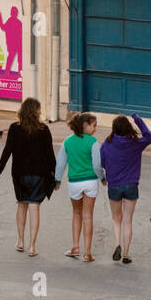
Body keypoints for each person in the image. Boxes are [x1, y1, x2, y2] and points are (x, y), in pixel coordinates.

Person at [0, 97, 56, 256]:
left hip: (19, 174)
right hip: (38, 175)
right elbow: (50, 156)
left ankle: (20, 241)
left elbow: (7, 152)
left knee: (21, 205)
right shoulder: (43, 130)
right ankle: (32, 246)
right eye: (39, 109)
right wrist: (56, 177)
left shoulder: (14, 128)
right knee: (34, 207)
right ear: (35, 111)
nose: (41, 112)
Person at [100, 113, 151, 263]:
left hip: (114, 185)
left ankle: (117, 244)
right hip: (131, 185)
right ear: (128, 127)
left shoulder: (107, 144)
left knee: (116, 219)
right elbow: (149, 137)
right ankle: (126, 253)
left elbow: (102, 162)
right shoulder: (135, 143)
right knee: (128, 220)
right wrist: (138, 119)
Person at [54, 112, 104, 262]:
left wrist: (57, 180)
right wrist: (102, 178)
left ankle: (75, 246)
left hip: (74, 182)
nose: (95, 129)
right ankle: (87, 252)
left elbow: (61, 164)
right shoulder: (93, 142)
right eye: (93, 125)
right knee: (88, 217)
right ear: (85, 125)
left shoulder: (67, 142)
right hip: (90, 182)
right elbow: (96, 165)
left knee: (76, 214)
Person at [0, 5, 23, 74]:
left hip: (15, 44)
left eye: (15, 12)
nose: (15, 14)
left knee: (15, 58)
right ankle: (16, 72)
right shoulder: (16, 22)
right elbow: (3, 27)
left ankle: (9, 72)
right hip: (16, 44)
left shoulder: (13, 21)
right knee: (15, 59)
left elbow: (3, 27)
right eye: (14, 12)